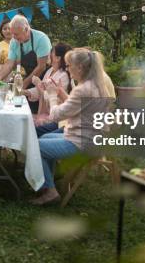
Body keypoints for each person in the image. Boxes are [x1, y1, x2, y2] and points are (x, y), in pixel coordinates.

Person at [31, 48, 115, 205]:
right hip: (93, 139)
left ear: (80, 67)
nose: (68, 69)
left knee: (35, 146)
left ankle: (50, 191)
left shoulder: (83, 89)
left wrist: (52, 95)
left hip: (83, 143)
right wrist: (60, 91)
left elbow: (56, 115)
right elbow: (75, 107)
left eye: (69, 66)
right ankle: (47, 183)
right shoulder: (96, 84)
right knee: (44, 137)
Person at [0, 15, 52, 113]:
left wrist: (23, 84)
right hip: (29, 79)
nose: (13, 37)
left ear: (26, 29)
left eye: (16, 34)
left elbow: (41, 67)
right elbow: (9, 64)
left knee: (42, 115)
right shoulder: (14, 41)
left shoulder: (41, 39)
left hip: (45, 82)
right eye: (12, 34)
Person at [24, 43, 72, 137]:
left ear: (58, 58)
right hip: (46, 112)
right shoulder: (50, 70)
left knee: (28, 125)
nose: (48, 54)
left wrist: (38, 84)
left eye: (51, 52)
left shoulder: (64, 76)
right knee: (24, 120)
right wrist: (25, 92)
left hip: (56, 116)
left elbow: (51, 96)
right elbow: (41, 90)